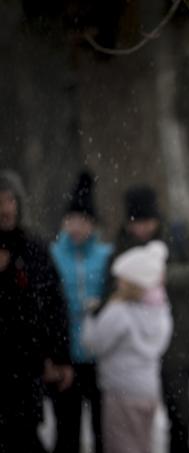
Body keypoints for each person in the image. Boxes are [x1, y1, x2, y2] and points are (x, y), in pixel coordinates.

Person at [108, 185, 189, 453]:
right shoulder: (122, 250)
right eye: (137, 222)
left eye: (147, 221)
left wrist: (163, 276)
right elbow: (117, 291)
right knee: (180, 424)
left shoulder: (178, 235)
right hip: (167, 353)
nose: (142, 228)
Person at [0, 170, 73, 453]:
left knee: (25, 436)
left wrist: (60, 356)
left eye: (9, 201)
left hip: (26, 370)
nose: (5, 209)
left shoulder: (35, 249)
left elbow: (53, 307)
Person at [82, 240, 173, 453]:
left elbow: (93, 344)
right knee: (142, 445)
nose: (117, 283)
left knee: (121, 446)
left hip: (120, 391)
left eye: (120, 279)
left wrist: (91, 316)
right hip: (148, 390)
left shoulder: (118, 311)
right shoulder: (161, 311)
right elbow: (162, 345)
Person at [50, 171, 112, 453]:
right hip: (65, 356)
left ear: (93, 224)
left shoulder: (106, 255)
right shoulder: (51, 254)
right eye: (71, 220)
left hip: (99, 356)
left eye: (83, 221)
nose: (76, 227)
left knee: (104, 430)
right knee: (67, 430)